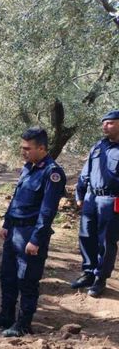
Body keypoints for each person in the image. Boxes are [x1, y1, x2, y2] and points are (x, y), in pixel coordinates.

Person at [0, 127, 66, 337]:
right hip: (15, 232)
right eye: (22, 148)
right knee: (8, 276)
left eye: (28, 148)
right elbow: (16, 199)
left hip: (31, 234)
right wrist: (6, 224)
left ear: (42, 148)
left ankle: (23, 324)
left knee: (26, 280)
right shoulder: (28, 167)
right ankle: (6, 315)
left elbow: (47, 211)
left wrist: (36, 239)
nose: (23, 152)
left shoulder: (52, 173)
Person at [70, 110, 119, 297]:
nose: (105, 126)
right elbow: (86, 171)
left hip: (111, 200)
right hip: (91, 198)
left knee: (106, 241)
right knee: (86, 235)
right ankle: (88, 272)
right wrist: (80, 194)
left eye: (110, 123)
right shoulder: (99, 146)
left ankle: (100, 278)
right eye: (104, 123)